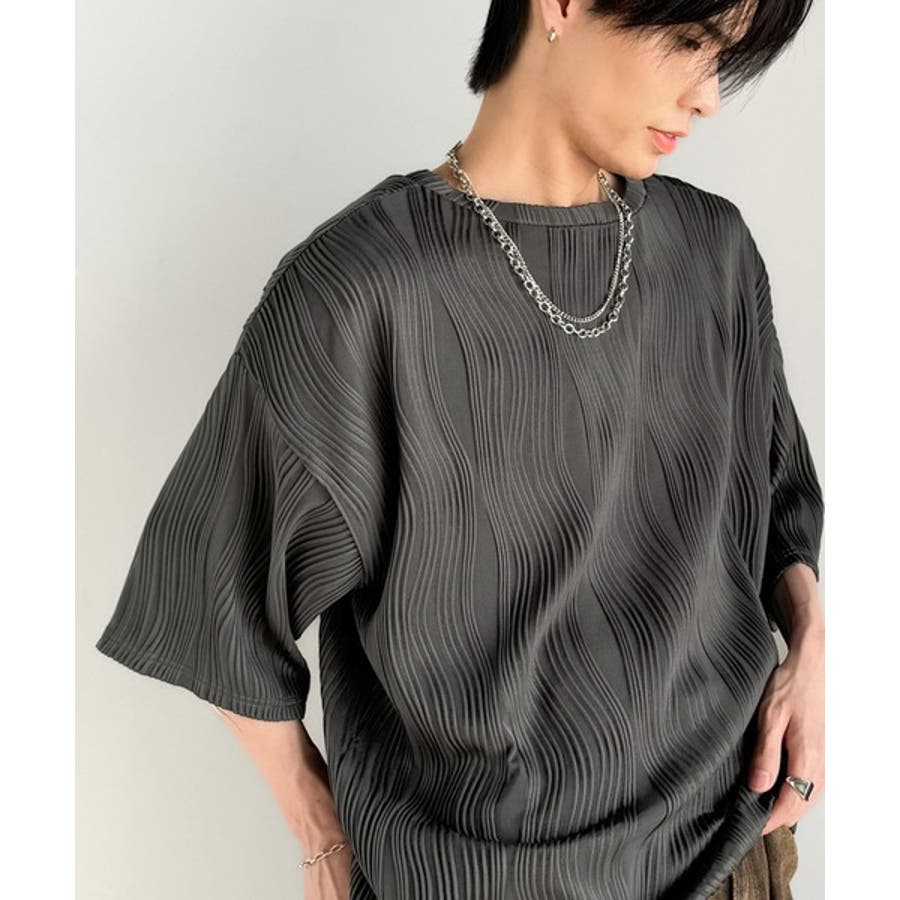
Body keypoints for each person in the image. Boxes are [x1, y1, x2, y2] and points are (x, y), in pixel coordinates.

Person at [94, 1, 824, 898]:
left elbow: (775, 501)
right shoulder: (362, 292)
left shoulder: (713, 253)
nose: (708, 96)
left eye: (725, 56)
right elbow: (212, 597)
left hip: (728, 863)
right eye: (686, 42)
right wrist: (317, 825)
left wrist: (811, 644)